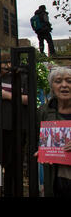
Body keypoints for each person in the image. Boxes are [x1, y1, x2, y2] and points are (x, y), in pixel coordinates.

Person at [0, 53, 29, 197]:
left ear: (9, 63)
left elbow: (28, 99)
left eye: (0, 65)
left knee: (11, 162)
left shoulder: (21, 77)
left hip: (13, 125)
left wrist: (7, 95)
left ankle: (9, 191)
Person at [35, 67, 71, 197]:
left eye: (69, 81)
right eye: (58, 81)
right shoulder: (43, 112)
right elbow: (34, 140)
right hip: (55, 178)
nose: (64, 85)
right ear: (52, 87)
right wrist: (42, 150)